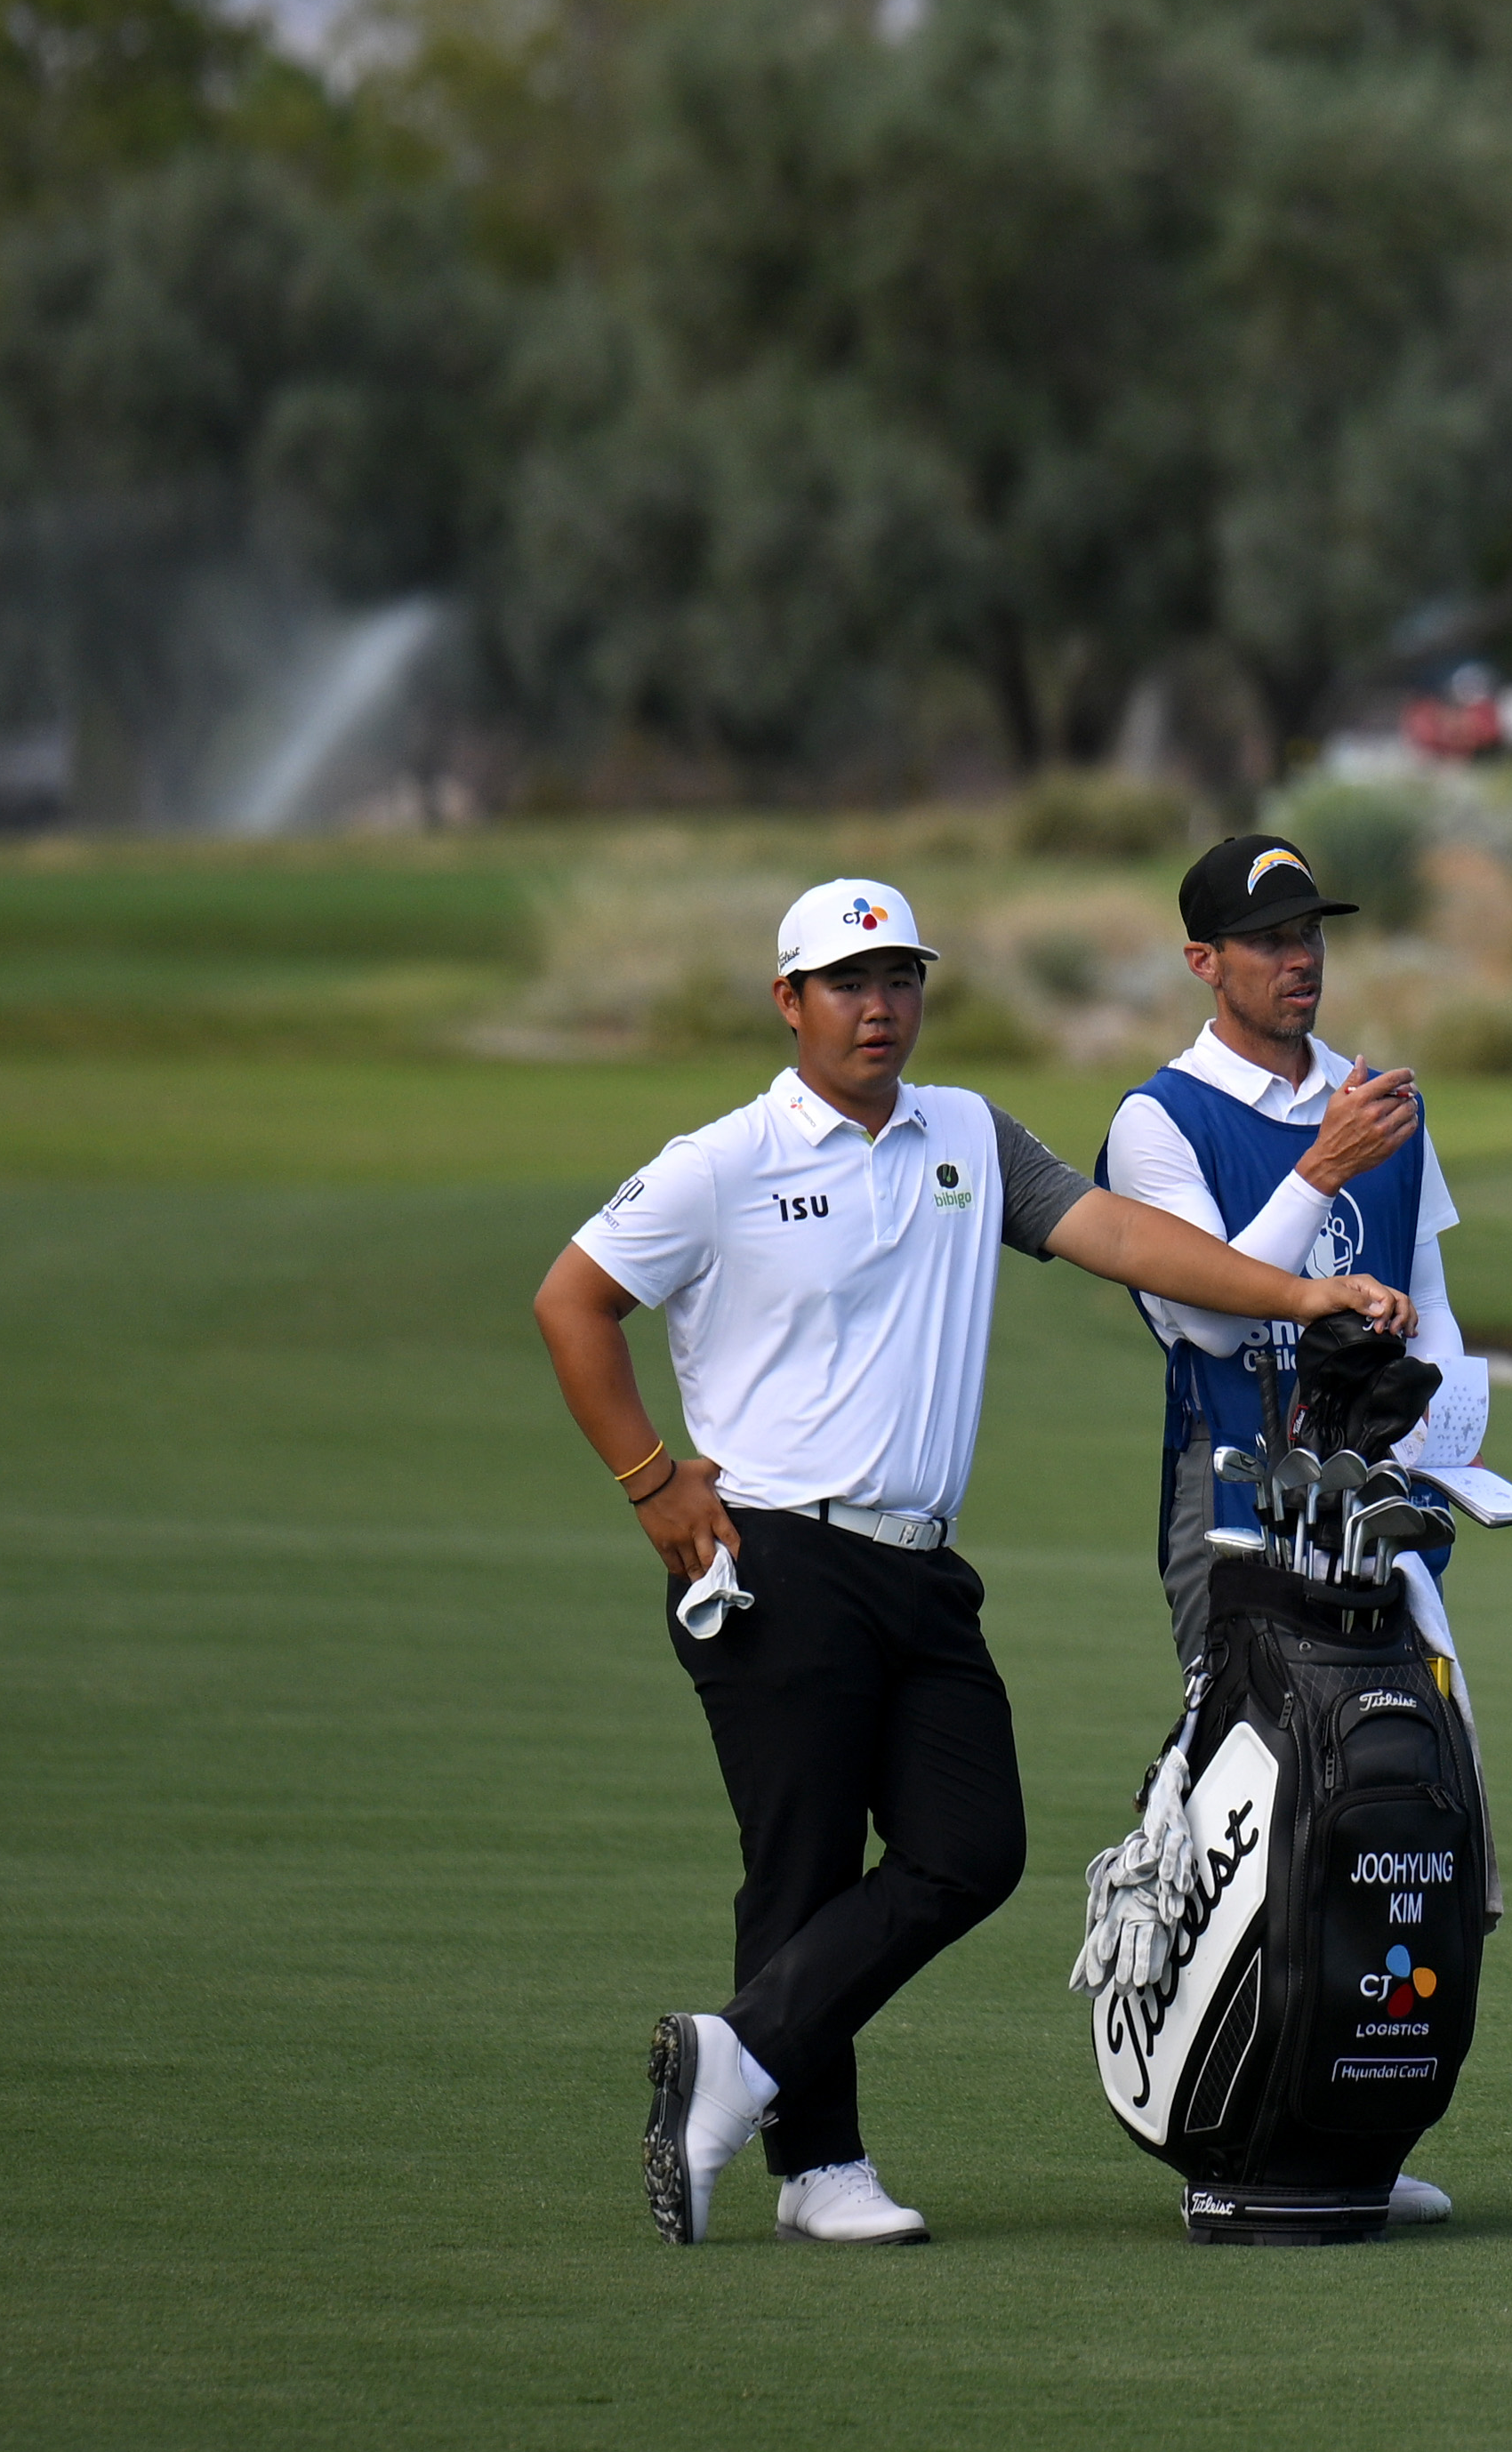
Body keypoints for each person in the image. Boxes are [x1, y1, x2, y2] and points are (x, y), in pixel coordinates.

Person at [537, 875, 1407, 2248]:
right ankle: (817, 2168)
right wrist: (652, 1480)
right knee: (803, 1865)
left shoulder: (966, 1133)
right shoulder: (726, 1159)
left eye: (900, 982)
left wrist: (1297, 1290)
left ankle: (738, 2057)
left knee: (972, 1848)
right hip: (773, 1552)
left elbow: (1116, 1235)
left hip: (922, 1567)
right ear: (791, 1002)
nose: (879, 1009)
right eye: (847, 985)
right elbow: (573, 1299)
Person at [1097, 827, 1511, 2231]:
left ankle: (1358, 2138)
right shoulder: (1161, 1119)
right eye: (1268, 943)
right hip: (1230, 1521)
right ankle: (1236, 2143)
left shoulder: (1382, 1102)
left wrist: (1440, 1441)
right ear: (1204, 961)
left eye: (1312, 936)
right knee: (1265, 1829)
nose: (1300, 963)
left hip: (1378, 1519)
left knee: (1418, 1822)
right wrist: (1323, 1171)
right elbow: (1206, 1306)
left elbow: (1435, 1306)